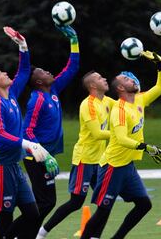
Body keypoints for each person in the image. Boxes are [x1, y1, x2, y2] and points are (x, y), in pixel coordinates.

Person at [81, 50, 161, 239]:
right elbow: (120, 139)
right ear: (120, 88)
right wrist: (145, 147)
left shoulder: (140, 99)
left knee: (144, 204)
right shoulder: (119, 110)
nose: (133, 81)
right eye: (127, 80)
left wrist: (160, 65)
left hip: (127, 166)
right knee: (103, 211)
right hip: (113, 165)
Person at [0, 27, 54, 239]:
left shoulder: (10, 94)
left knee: (32, 213)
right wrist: (28, 144)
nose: (5, 73)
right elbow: (1, 135)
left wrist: (23, 46)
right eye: (0, 73)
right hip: (1, 168)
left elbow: (23, 72)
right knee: (5, 219)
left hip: (13, 166)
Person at [36, 71, 115, 238]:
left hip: (100, 161)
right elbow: (97, 134)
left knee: (106, 201)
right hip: (85, 159)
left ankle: (94, 236)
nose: (105, 78)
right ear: (93, 86)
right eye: (101, 78)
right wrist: (121, 135)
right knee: (76, 202)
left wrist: (137, 93)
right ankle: (42, 232)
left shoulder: (107, 101)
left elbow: (126, 107)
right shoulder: (88, 105)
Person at [22, 24, 80, 224]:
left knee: (46, 203)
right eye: (43, 72)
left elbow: (72, 68)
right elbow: (26, 131)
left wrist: (74, 42)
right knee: (44, 203)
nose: (48, 72)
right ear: (38, 82)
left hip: (47, 155)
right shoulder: (36, 99)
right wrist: (44, 156)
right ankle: (14, 233)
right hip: (35, 157)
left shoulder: (53, 89)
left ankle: (24, 234)